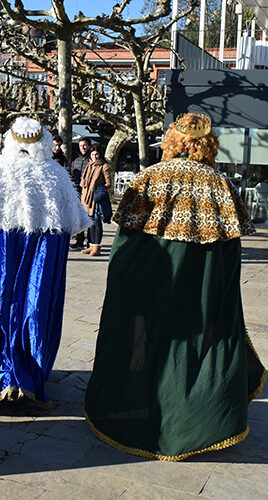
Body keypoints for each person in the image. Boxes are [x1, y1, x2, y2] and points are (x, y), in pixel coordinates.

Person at [84, 113, 265, 461]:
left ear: (172, 140)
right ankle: (198, 421)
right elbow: (229, 256)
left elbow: (123, 245)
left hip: (147, 285)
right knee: (193, 348)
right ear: (209, 144)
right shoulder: (220, 185)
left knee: (146, 342)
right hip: (200, 291)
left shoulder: (150, 178)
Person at [0, 117, 91, 409]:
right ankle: (27, 375)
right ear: (43, 141)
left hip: (0, 253)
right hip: (39, 253)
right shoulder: (55, 175)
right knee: (33, 306)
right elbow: (75, 222)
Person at [79, 145, 112, 256]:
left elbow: (108, 183)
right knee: (90, 222)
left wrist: (99, 189)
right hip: (87, 198)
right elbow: (84, 180)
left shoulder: (104, 166)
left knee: (97, 222)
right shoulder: (89, 165)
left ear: (100, 154)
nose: (94, 156)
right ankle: (91, 245)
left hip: (96, 198)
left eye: (96, 154)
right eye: (92, 154)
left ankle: (97, 246)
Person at [69, 137, 91, 250]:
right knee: (78, 216)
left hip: (88, 191)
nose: (83, 147)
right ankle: (79, 241)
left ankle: (91, 243)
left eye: (85, 145)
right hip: (76, 190)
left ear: (89, 146)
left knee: (90, 216)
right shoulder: (76, 160)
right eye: (81, 145)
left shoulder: (91, 160)